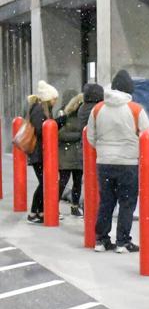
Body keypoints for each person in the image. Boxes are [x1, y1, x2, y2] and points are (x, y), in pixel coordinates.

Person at [87, 69, 149, 253]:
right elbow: (147, 135)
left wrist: (103, 149)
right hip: (128, 163)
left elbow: (91, 136)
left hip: (104, 162)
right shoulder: (135, 109)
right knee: (127, 202)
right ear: (129, 89)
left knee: (106, 201)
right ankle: (123, 241)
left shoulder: (97, 108)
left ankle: (101, 239)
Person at [25, 80, 63, 224]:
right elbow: (42, 130)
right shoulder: (39, 109)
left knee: (45, 182)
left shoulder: (42, 109)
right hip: (38, 153)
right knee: (44, 183)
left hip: (41, 153)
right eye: (54, 99)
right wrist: (57, 123)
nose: (55, 101)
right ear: (48, 98)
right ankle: (34, 212)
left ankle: (40, 211)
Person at [57, 90, 85, 217]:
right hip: (67, 155)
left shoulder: (83, 117)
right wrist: (79, 136)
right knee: (63, 181)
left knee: (77, 182)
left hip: (78, 155)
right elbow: (60, 135)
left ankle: (74, 207)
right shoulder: (66, 116)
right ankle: (54, 205)